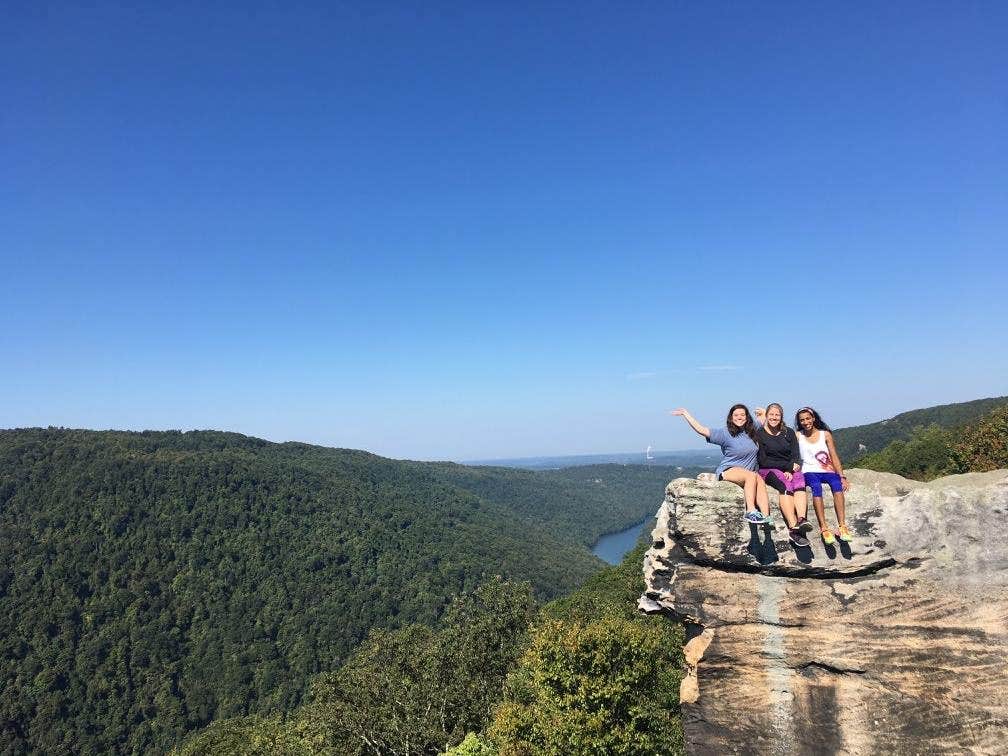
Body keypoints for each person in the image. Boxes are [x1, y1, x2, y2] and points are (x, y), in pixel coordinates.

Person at [671, 405, 772, 524]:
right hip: (729, 470)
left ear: (747, 417)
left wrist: (764, 412)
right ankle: (750, 511)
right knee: (751, 476)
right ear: (731, 418)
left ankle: (767, 518)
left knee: (759, 479)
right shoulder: (725, 433)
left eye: (742, 415)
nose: (739, 417)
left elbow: (766, 420)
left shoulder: (752, 429)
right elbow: (701, 430)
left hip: (748, 473)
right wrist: (686, 414)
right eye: (736, 415)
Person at [754, 404, 811, 547]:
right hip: (768, 469)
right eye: (771, 414)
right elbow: (763, 461)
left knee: (799, 479)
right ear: (766, 416)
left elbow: (795, 455)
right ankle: (793, 529)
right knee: (785, 484)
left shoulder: (788, 432)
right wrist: (787, 467)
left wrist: (793, 467)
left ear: (781, 417)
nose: (774, 417)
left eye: (777, 415)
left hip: (788, 467)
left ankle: (801, 520)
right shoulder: (760, 434)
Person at [795, 406, 852, 544]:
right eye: (802, 420)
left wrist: (842, 476)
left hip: (827, 470)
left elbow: (833, 455)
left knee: (837, 485)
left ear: (813, 418)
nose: (806, 422)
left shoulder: (825, 435)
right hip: (808, 471)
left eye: (808, 418)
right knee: (816, 487)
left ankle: (842, 526)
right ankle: (824, 528)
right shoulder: (798, 435)